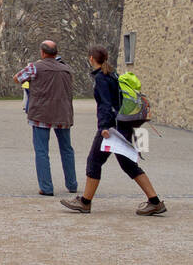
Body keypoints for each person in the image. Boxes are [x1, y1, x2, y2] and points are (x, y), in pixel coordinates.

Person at [62, 47, 166, 216]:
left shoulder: (101, 78)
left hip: (111, 127)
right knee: (128, 165)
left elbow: (105, 104)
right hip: (122, 124)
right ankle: (154, 202)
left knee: (94, 161)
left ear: (91, 59)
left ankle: (85, 202)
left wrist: (103, 127)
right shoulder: (113, 74)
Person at [15, 39, 77, 197]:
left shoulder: (35, 67)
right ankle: (72, 183)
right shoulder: (67, 69)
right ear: (56, 53)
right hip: (62, 113)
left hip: (41, 113)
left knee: (42, 151)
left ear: (42, 53)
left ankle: (46, 187)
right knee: (67, 150)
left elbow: (18, 78)